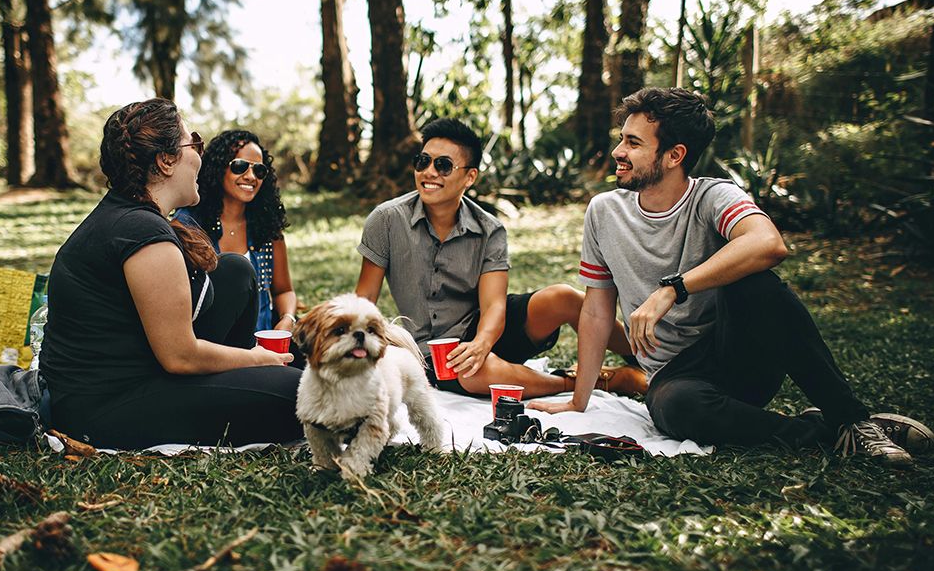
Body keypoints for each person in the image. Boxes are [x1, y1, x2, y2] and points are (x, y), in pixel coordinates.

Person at [530, 87, 934, 467]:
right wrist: (578, 401)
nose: (618, 151)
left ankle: (853, 419)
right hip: (677, 378)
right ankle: (827, 431)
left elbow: (768, 243)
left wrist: (674, 288)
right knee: (676, 408)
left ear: (674, 155)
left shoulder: (713, 196)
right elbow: (598, 310)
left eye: (633, 143)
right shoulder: (604, 212)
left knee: (756, 282)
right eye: (622, 138)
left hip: (740, 355)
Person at [39, 98, 303, 449]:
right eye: (193, 142)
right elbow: (180, 356)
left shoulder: (132, 216)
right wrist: (258, 358)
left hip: (140, 370)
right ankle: (256, 380)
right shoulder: (142, 233)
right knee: (303, 395)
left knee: (235, 271)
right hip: (104, 407)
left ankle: (250, 380)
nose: (199, 154)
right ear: (165, 161)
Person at [354, 117, 646, 399]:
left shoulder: (489, 229)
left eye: (443, 165)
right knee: (474, 373)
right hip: (433, 352)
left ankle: (648, 360)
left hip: (486, 328)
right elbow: (364, 299)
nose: (429, 172)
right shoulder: (387, 220)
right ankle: (593, 381)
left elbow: (494, 305)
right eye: (423, 161)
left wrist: (481, 343)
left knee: (564, 297)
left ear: (469, 177)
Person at [176, 129, 297, 332]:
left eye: (259, 170)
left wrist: (287, 319)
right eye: (240, 166)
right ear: (217, 168)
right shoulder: (188, 224)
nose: (251, 176)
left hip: (264, 347)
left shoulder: (267, 227)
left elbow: (284, 290)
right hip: (211, 348)